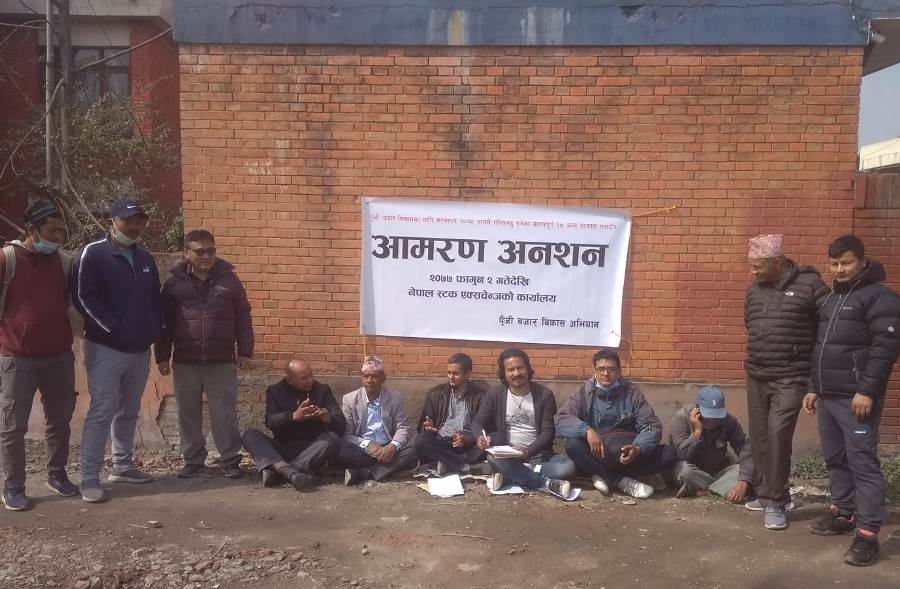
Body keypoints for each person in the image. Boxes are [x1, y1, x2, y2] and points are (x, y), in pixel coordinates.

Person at [803, 235, 900, 566]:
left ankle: (868, 534)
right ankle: (843, 514)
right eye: (834, 264)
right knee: (835, 459)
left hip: (856, 398)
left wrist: (867, 390)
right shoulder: (833, 299)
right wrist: (813, 386)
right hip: (828, 395)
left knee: (863, 464)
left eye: (846, 263)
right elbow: (821, 347)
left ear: (862, 261)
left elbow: (885, 350)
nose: (839, 269)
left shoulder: (881, 298)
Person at [71, 198, 162, 503]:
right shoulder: (93, 253)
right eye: (128, 220)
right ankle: (89, 476)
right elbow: (83, 297)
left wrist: (153, 329)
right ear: (112, 221)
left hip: (139, 349)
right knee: (102, 410)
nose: (135, 226)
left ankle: (122, 465)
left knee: (129, 409)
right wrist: (114, 327)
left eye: (139, 221)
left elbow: (155, 299)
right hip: (106, 347)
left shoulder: (145, 257)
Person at [744, 233, 827, 530]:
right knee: (760, 438)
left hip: (791, 376)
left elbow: (826, 333)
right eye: (751, 265)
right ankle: (770, 492)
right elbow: (750, 325)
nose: (752, 272)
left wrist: (814, 383)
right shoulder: (754, 291)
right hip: (757, 375)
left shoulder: (810, 286)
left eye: (758, 266)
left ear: (777, 262)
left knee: (778, 436)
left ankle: (776, 503)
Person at [0, 200, 79, 511]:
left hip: (59, 356)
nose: (57, 237)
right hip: (17, 358)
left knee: (59, 422)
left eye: (60, 231)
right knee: (12, 427)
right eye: (52, 231)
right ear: (32, 230)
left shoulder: (63, 262)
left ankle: (57, 475)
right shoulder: (8, 259)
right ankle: (13, 486)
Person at [156, 229, 253, 480]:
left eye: (211, 251)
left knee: (224, 414)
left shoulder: (229, 281)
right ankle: (193, 460)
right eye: (200, 252)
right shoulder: (174, 284)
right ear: (186, 253)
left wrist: (245, 350)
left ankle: (230, 460)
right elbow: (165, 321)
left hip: (221, 360)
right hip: (185, 361)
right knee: (187, 414)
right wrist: (162, 355)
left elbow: (243, 315)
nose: (206, 256)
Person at [557, 349, 675, 499]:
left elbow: (651, 425)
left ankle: (601, 474)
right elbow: (562, 418)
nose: (606, 374)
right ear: (594, 370)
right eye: (601, 369)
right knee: (572, 444)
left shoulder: (632, 394)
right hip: (597, 454)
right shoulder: (583, 393)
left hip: (626, 455)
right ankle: (619, 481)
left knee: (669, 454)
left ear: (619, 370)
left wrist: (638, 448)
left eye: (611, 369)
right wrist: (587, 430)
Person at [472, 348, 575, 499]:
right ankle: (545, 483)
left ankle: (510, 476)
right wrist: (479, 437)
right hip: (507, 454)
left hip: (537, 455)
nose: (516, 373)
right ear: (503, 373)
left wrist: (528, 451)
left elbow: (548, 432)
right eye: (510, 370)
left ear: (528, 369)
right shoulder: (495, 394)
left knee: (567, 468)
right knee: (492, 457)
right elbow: (477, 423)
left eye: (520, 368)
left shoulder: (544, 395)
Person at [241, 359, 344, 491]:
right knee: (249, 435)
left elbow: (341, 424)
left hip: (313, 449)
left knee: (333, 438)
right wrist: (293, 417)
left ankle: (281, 473)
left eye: (311, 376)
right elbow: (270, 421)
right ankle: (291, 472)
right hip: (284, 446)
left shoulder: (322, 390)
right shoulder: (276, 391)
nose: (310, 381)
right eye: (305, 378)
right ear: (290, 380)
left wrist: (328, 418)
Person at [337, 356, 417, 485]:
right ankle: (388, 468)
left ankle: (365, 472)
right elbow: (347, 434)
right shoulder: (350, 399)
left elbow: (403, 427)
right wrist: (367, 444)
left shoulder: (395, 397)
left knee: (416, 445)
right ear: (361, 378)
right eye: (366, 376)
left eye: (374, 376)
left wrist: (392, 446)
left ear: (383, 378)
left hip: (388, 447)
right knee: (341, 450)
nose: (369, 380)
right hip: (362, 449)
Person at [669, 386, 754, 503]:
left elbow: (745, 449)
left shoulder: (728, 420)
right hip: (692, 472)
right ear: (697, 408)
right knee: (683, 470)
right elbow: (683, 455)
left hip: (717, 472)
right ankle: (720, 488)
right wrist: (697, 433)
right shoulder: (681, 418)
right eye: (709, 415)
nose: (713, 420)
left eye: (717, 415)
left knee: (746, 469)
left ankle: (700, 489)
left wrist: (743, 482)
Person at [414, 353, 489, 476]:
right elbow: (421, 427)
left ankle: (447, 462)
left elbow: (484, 427)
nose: (451, 377)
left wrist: (466, 439)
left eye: (455, 373)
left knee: (493, 441)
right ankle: (464, 466)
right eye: (449, 373)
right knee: (421, 441)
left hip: (467, 445)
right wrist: (427, 428)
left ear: (467, 373)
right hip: (442, 442)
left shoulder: (481, 396)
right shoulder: (436, 393)